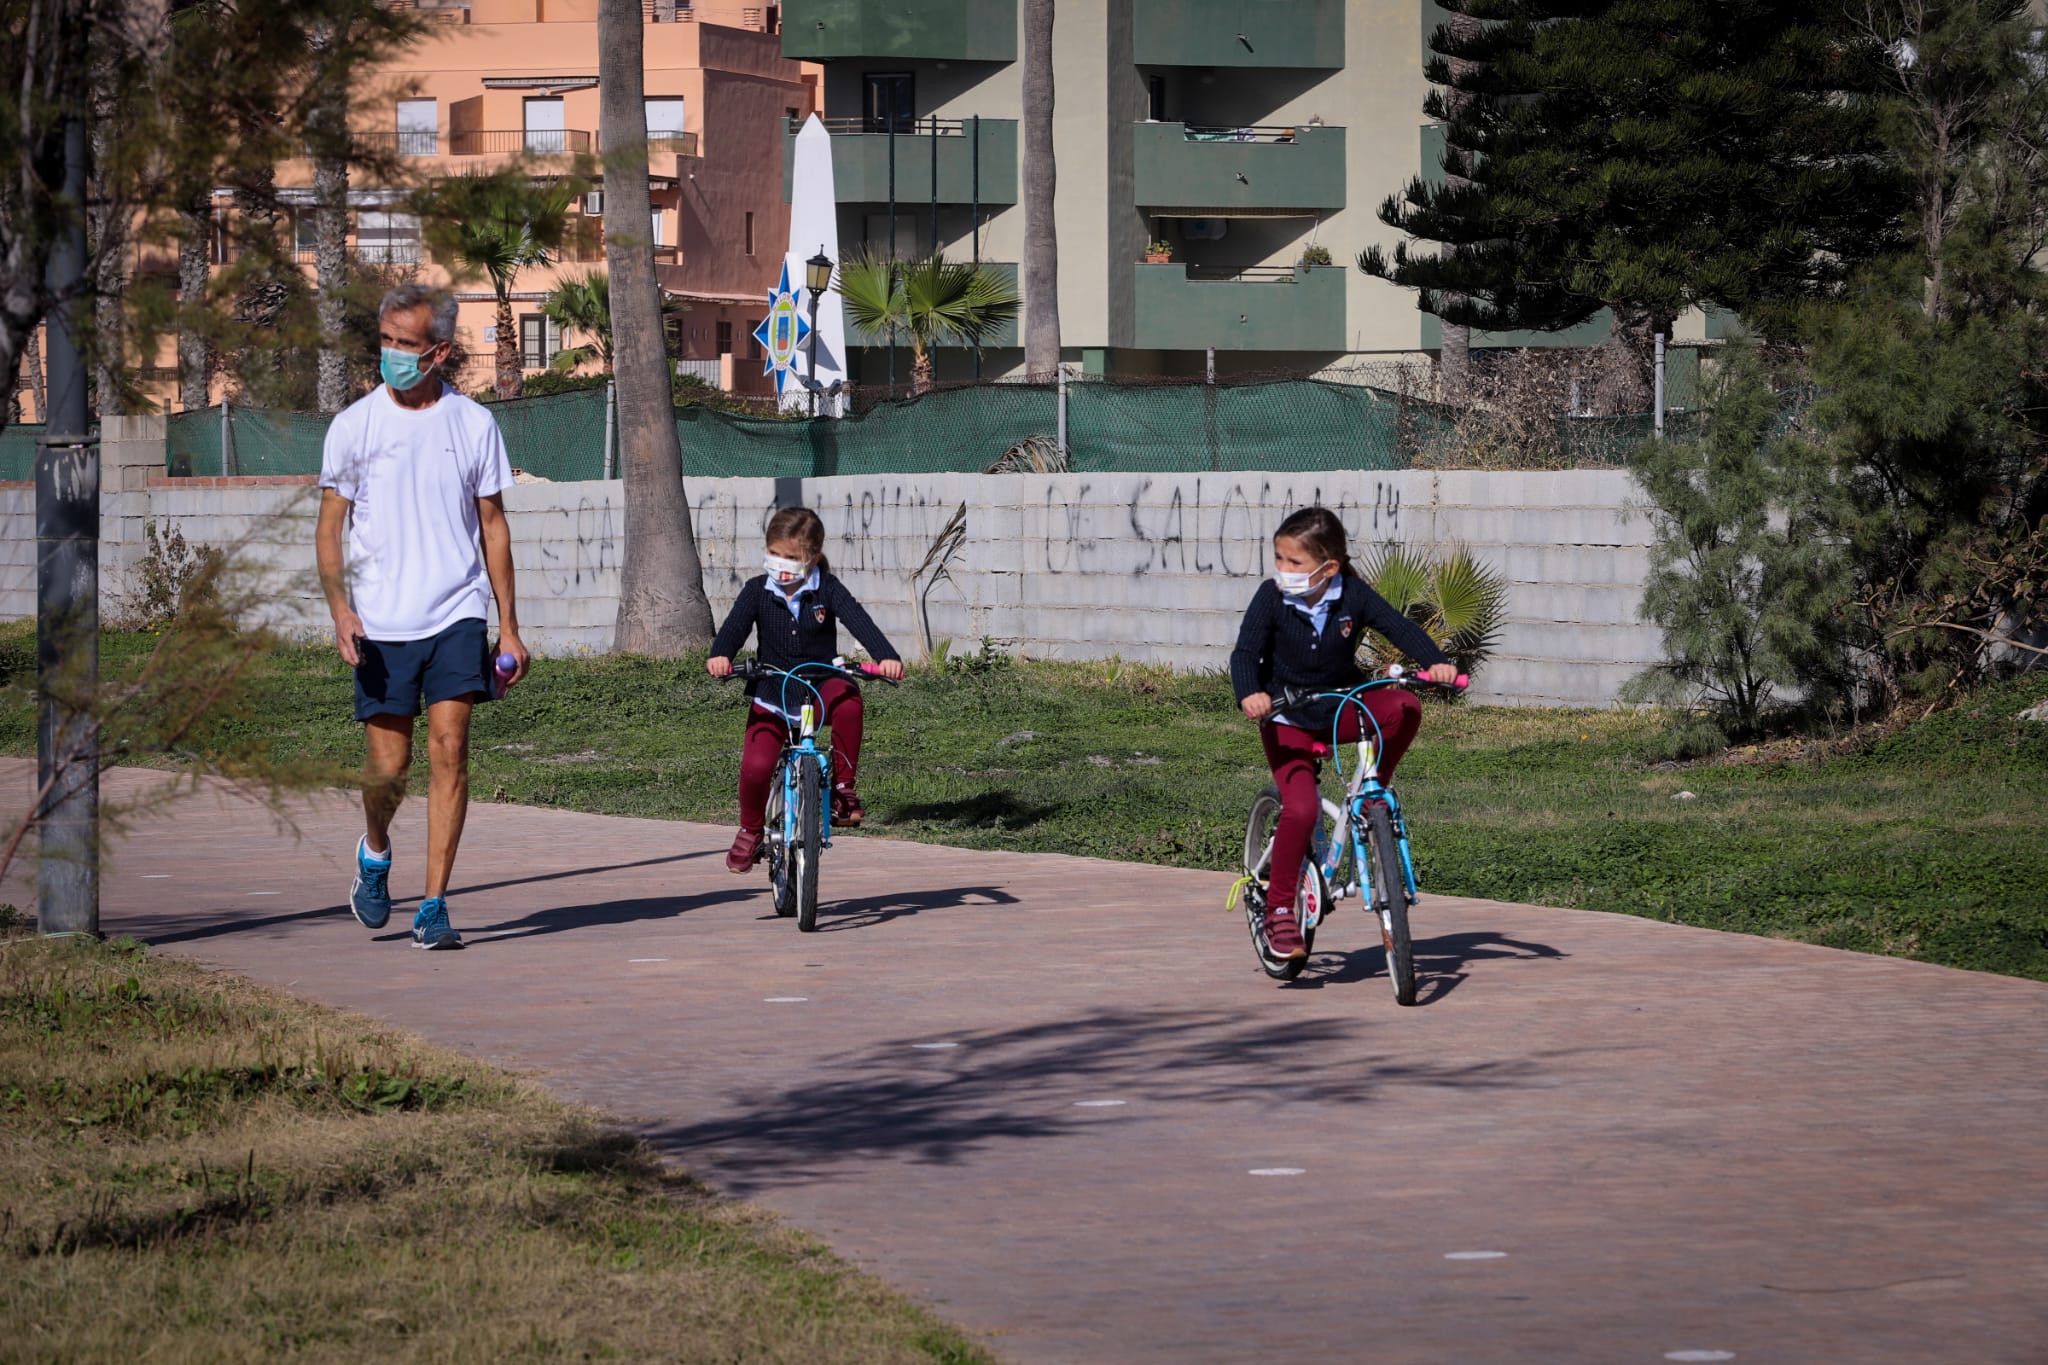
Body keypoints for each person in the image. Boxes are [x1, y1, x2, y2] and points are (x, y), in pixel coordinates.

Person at [315, 283, 527, 950]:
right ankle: (375, 851)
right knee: (390, 768)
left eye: (406, 345)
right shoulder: (354, 426)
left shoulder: (473, 425)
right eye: (386, 341)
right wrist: (341, 608)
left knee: (451, 751)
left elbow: (493, 527)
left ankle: (434, 903)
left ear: (438, 351)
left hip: (456, 613)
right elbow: (329, 530)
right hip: (380, 622)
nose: (392, 356)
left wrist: (509, 625)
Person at [1230, 507, 1458, 963]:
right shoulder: (1271, 598)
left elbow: (1400, 627)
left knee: (1404, 707)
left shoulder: (1352, 593)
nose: (1282, 571)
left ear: (1328, 567)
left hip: (1341, 708)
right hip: (1286, 716)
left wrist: (1436, 662)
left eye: (1294, 563)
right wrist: (1250, 693)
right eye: (1279, 559)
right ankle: (1278, 909)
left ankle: (1371, 789)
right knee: (1302, 807)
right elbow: (1245, 652)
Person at [706, 506, 904, 873]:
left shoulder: (826, 589)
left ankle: (843, 790)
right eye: (774, 554)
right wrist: (720, 656)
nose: (780, 564)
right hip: (773, 689)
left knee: (848, 700)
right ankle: (750, 831)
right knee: (756, 766)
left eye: (791, 558)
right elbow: (733, 629)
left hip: (820, 682)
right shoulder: (757, 591)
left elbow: (861, 621)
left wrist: (886, 657)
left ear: (811, 558)